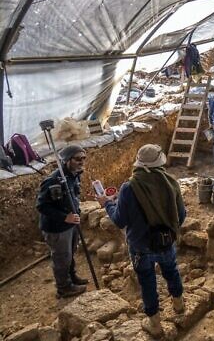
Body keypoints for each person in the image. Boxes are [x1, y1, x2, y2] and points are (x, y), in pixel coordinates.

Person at [98, 144, 186, 338]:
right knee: (171, 271)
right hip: (166, 241)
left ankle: (154, 323)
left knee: (147, 281)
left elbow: (120, 219)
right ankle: (179, 306)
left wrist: (108, 204)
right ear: (159, 162)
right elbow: (181, 215)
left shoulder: (129, 187)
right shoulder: (171, 182)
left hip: (140, 246)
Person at [36, 145, 88, 299]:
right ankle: (64, 288)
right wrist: (65, 217)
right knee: (62, 257)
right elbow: (42, 206)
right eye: (77, 159)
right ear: (67, 160)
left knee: (70, 253)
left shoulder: (74, 175)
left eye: (83, 158)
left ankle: (72, 278)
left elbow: (73, 196)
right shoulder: (53, 180)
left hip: (71, 223)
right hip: (57, 227)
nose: (81, 162)